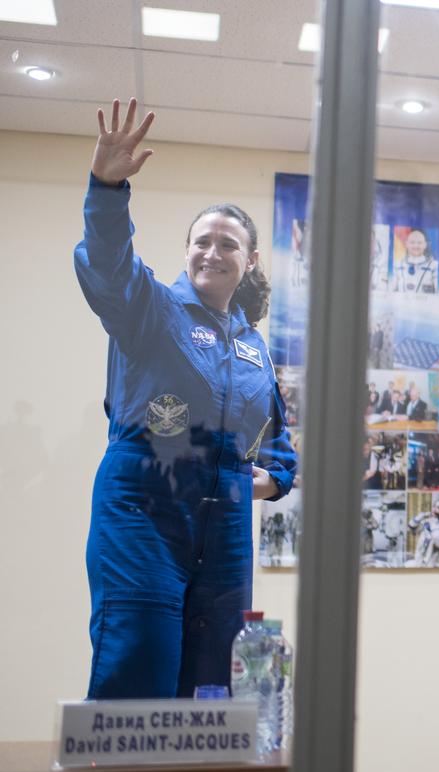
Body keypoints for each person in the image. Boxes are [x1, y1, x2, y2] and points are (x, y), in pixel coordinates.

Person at [75, 99, 297, 699]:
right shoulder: (152, 308)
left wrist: (273, 481)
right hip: (144, 508)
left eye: (228, 244)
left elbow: (277, 442)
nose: (212, 252)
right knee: (139, 663)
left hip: (223, 527)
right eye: (202, 241)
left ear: (248, 260)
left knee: (215, 682)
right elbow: (107, 265)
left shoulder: (253, 348)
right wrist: (107, 189)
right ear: (187, 250)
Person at [394, 228, 439, 294]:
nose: (416, 245)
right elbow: (392, 291)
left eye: (419, 243)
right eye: (412, 242)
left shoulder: (434, 265)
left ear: (425, 245)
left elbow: (438, 292)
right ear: (407, 244)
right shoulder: (397, 265)